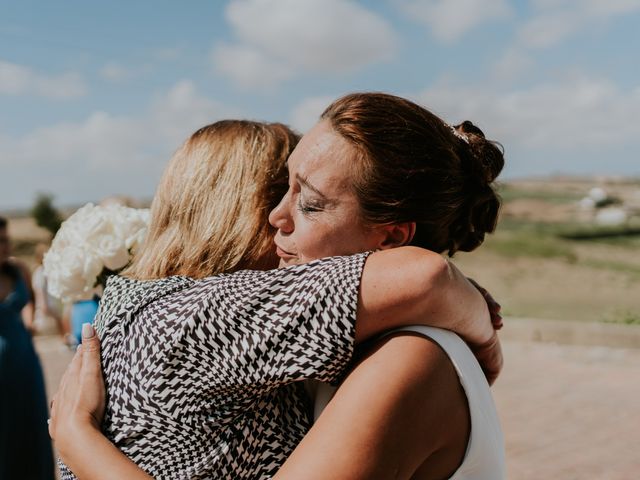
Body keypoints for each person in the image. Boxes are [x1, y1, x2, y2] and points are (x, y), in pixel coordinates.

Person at [51, 110, 502, 479]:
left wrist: (79, 440)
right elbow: (428, 276)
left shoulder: (405, 355)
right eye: (278, 188)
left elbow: (426, 278)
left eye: (307, 200)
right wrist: (482, 332)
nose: (275, 215)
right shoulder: (198, 318)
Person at [0, 217, 55, 480]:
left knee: (30, 426)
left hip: (24, 362)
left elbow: (29, 304)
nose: (6, 246)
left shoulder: (18, 270)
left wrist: (30, 323)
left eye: (7, 239)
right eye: (0, 241)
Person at [31, 243, 65, 337]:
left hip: (51, 312)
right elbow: (40, 295)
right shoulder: (40, 273)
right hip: (47, 314)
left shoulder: (44, 272)